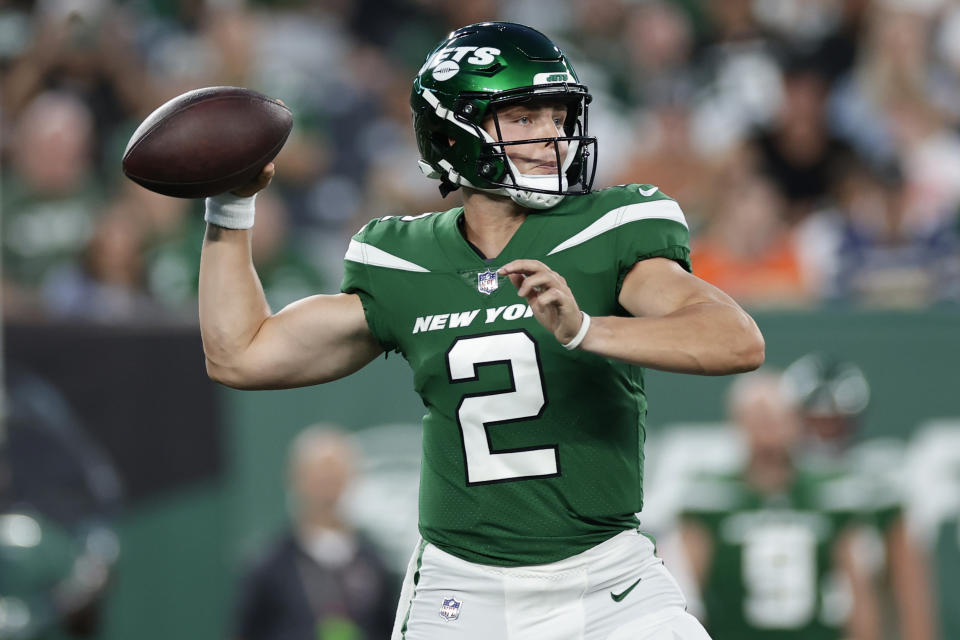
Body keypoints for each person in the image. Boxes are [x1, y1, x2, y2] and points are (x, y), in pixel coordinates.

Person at [199, 22, 764, 640]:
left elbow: (734, 339)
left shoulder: (612, 226)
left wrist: (585, 330)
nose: (552, 135)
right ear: (453, 134)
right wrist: (230, 207)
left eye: (558, 115)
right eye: (523, 118)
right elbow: (241, 355)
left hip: (611, 583)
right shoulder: (402, 260)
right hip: (461, 595)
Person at [677, 370, 880, 640]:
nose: (768, 427)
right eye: (759, 417)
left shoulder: (829, 493)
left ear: (795, 421)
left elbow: (859, 594)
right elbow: (686, 594)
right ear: (738, 422)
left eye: (776, 416)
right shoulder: (711, 498)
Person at [782, 354, 938, 640]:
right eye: (816, 422)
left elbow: (911, 587)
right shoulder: (765, 484)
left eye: (834, 423)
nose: (824, 434)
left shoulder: (878, 486)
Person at [233, 425, 396, 640]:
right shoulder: (269, 566)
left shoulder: (374, 562)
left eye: (335, 476)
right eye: (320, 477)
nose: (328, 488)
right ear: (297, 479)